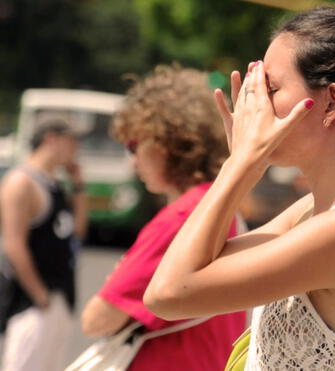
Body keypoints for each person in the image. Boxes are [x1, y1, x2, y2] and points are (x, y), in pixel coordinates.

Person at [144, 7, 335, 369]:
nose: (255, 106)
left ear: (331, 103)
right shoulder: (313, 211)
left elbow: (168, 294)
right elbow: (200, 265)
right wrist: (243, 164)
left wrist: (239, 164)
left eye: (270, 89)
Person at [80, 65, 246, 371]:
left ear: (165, 143)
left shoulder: (183, 216)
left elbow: (97, 318)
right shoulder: (221, 204)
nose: (132, 161)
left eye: (134, 145)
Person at [0, 121, 87, 371]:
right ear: (52, 139)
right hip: (32, 302)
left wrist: (78, 185)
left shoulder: (55, 183)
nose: (76, 149)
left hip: (59, 295)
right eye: (72, 141)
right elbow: (13, 245)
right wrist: (40, 296)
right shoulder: (22, 182)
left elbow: (77, 231)